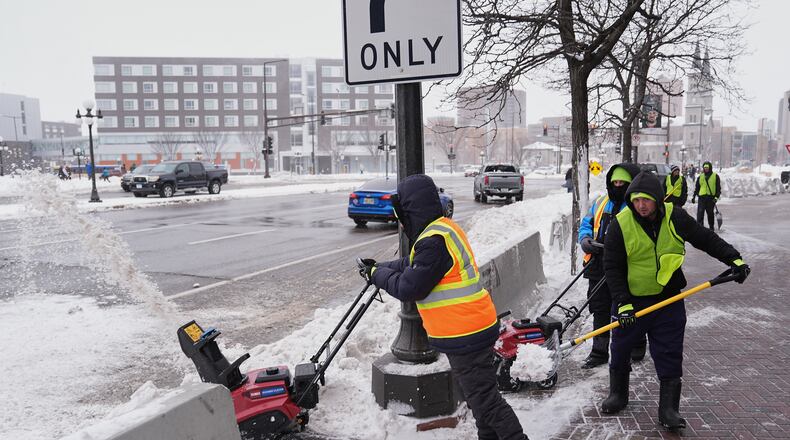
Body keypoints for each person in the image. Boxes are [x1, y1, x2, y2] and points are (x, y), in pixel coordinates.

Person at [359, 174, 528, 440]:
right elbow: (411, 266)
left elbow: (409, 287)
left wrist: (374, 276)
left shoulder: (432, 242)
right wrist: (379, 268)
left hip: (465, 335)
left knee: (486, 401)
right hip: (472, 328)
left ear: (410, 210)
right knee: (479, 399)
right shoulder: (442, 230)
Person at [601, 171, 749, 429]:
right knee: (621, 347)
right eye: (636, 200)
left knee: (669, 351)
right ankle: (618, 394)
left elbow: (705, 238)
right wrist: (623, 302)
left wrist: (734, 258)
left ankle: (668, 409)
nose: (641, 205)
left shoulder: (675, 217)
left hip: (667, 300)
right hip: (631, 302)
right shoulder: (620, 224)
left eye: (646, 200)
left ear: (657, 199)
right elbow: (612, 267)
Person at [578, 163, 646, 369]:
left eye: (623, 183)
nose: (618, 186)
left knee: (627, 309)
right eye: (614, 182)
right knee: (599, 308)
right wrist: (585, 238)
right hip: (597, 264)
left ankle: (636, 343)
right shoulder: (600, 202)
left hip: (624, 269)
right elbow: (586, 223)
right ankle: (599, 351)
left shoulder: (636, 206)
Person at [692, 161, 720, 230]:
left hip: (710, 198)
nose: (706, 169)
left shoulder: (715, 176)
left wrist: (716, 198)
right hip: (702, 198)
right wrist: (694, 196)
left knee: (710, 214)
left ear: (710, 168)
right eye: (705, 168)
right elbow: (697, 187)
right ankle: (700, 228)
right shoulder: (700, 177)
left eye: (707, 168)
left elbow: (718, 189)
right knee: (700, 214)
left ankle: (711, 227)